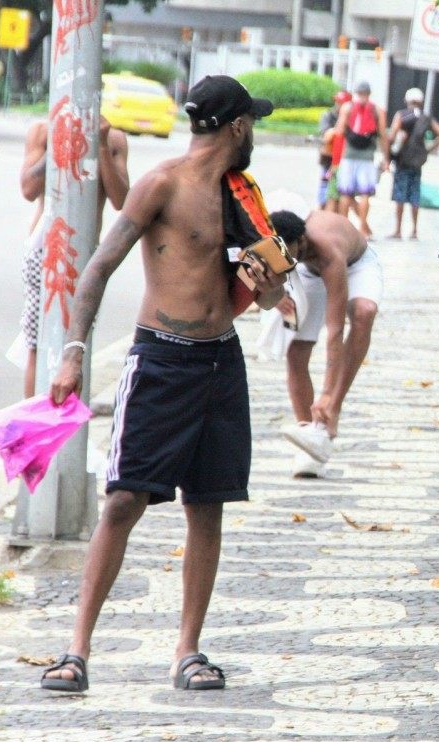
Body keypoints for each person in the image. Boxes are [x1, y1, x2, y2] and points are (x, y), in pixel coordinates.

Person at [40, 75, 284, 694]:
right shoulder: (162, 185)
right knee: (123, 501)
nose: (252, 131)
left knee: (208, 506)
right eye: (250, 122)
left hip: (220, 364)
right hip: (161, 364)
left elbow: (279, 294)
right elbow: (98, 267)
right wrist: (72, 355)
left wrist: (268, 285)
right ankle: (76, 650)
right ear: (235, 128)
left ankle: (188, 651)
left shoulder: (243, 197)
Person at [19, 115, 130, 397]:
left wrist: (101, 145)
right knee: (37, 342)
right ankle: (37, 427)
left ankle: (67, 429)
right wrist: (59, 143)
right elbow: (28, 190)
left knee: (78, 343)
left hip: (88, 256)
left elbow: (121, 201)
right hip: (46, 249)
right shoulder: (42, 131)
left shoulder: (114, 139)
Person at [268, 208, 382, 478]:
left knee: (363, 312)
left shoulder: (328, 250)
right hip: (309, 272)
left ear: (301, 241)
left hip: (355, 265)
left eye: (286, 253)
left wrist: (329, 393)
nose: (282, 258)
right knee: (296, 350)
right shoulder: (283, 246)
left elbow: (335, 329)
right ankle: (308, 435)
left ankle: (331, 411)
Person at [385, 87, 439, 240]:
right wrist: (428, 149)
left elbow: (391, 136)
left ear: (407, 100)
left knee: (400, 196)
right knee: (415, 195)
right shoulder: (426, 118)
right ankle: (414, 230)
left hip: (402, 161)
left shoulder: (401, 115)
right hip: (417, 162)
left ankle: (398, 230)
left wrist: (389, 152)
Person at [335, 81, 389, 238]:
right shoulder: (377, 110)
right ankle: (363, 228)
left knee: (345, 193)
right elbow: (383, 136)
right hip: (367, 157)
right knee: (365, 194)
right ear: (369, 94)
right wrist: (386, 158)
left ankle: (343, 228)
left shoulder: (347, 107)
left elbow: (339, 130)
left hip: (349, 156)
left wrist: (336, 158)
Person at [317, 90, 350, 210]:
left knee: (342, 193)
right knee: (325, 190)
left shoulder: (350, 117)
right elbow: (326, 135)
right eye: (337, 102)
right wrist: (338, 129)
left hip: (343, 159)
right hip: (328, 158)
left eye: (341, 102)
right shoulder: (328, 115)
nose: (338, 105)